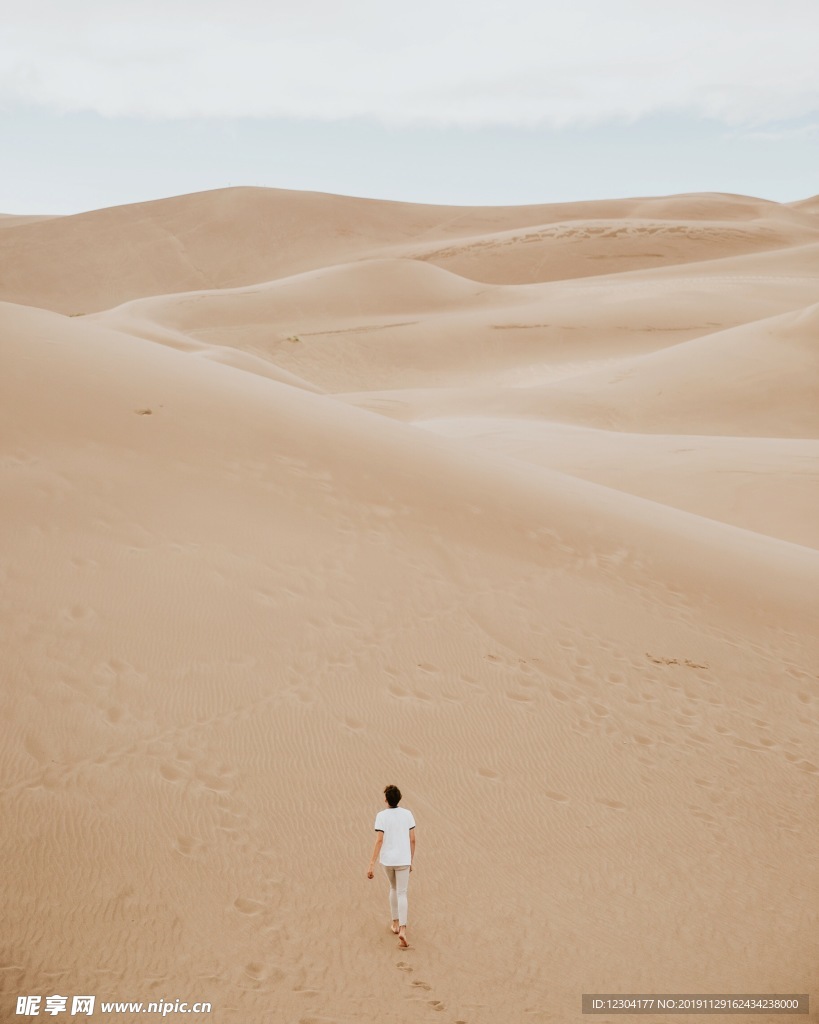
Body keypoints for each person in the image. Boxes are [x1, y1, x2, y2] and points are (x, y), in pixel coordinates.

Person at [367, 784, 416, 947]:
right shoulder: (408, 814)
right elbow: (413, 839)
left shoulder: (381, 816)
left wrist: (372, 863)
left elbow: (379, 840)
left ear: (386, 799)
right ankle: (402, 928)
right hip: (403, 859)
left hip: (388, 860)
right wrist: (411, 860)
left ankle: (395, 923)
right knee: (402, 892)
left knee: (393, 889)